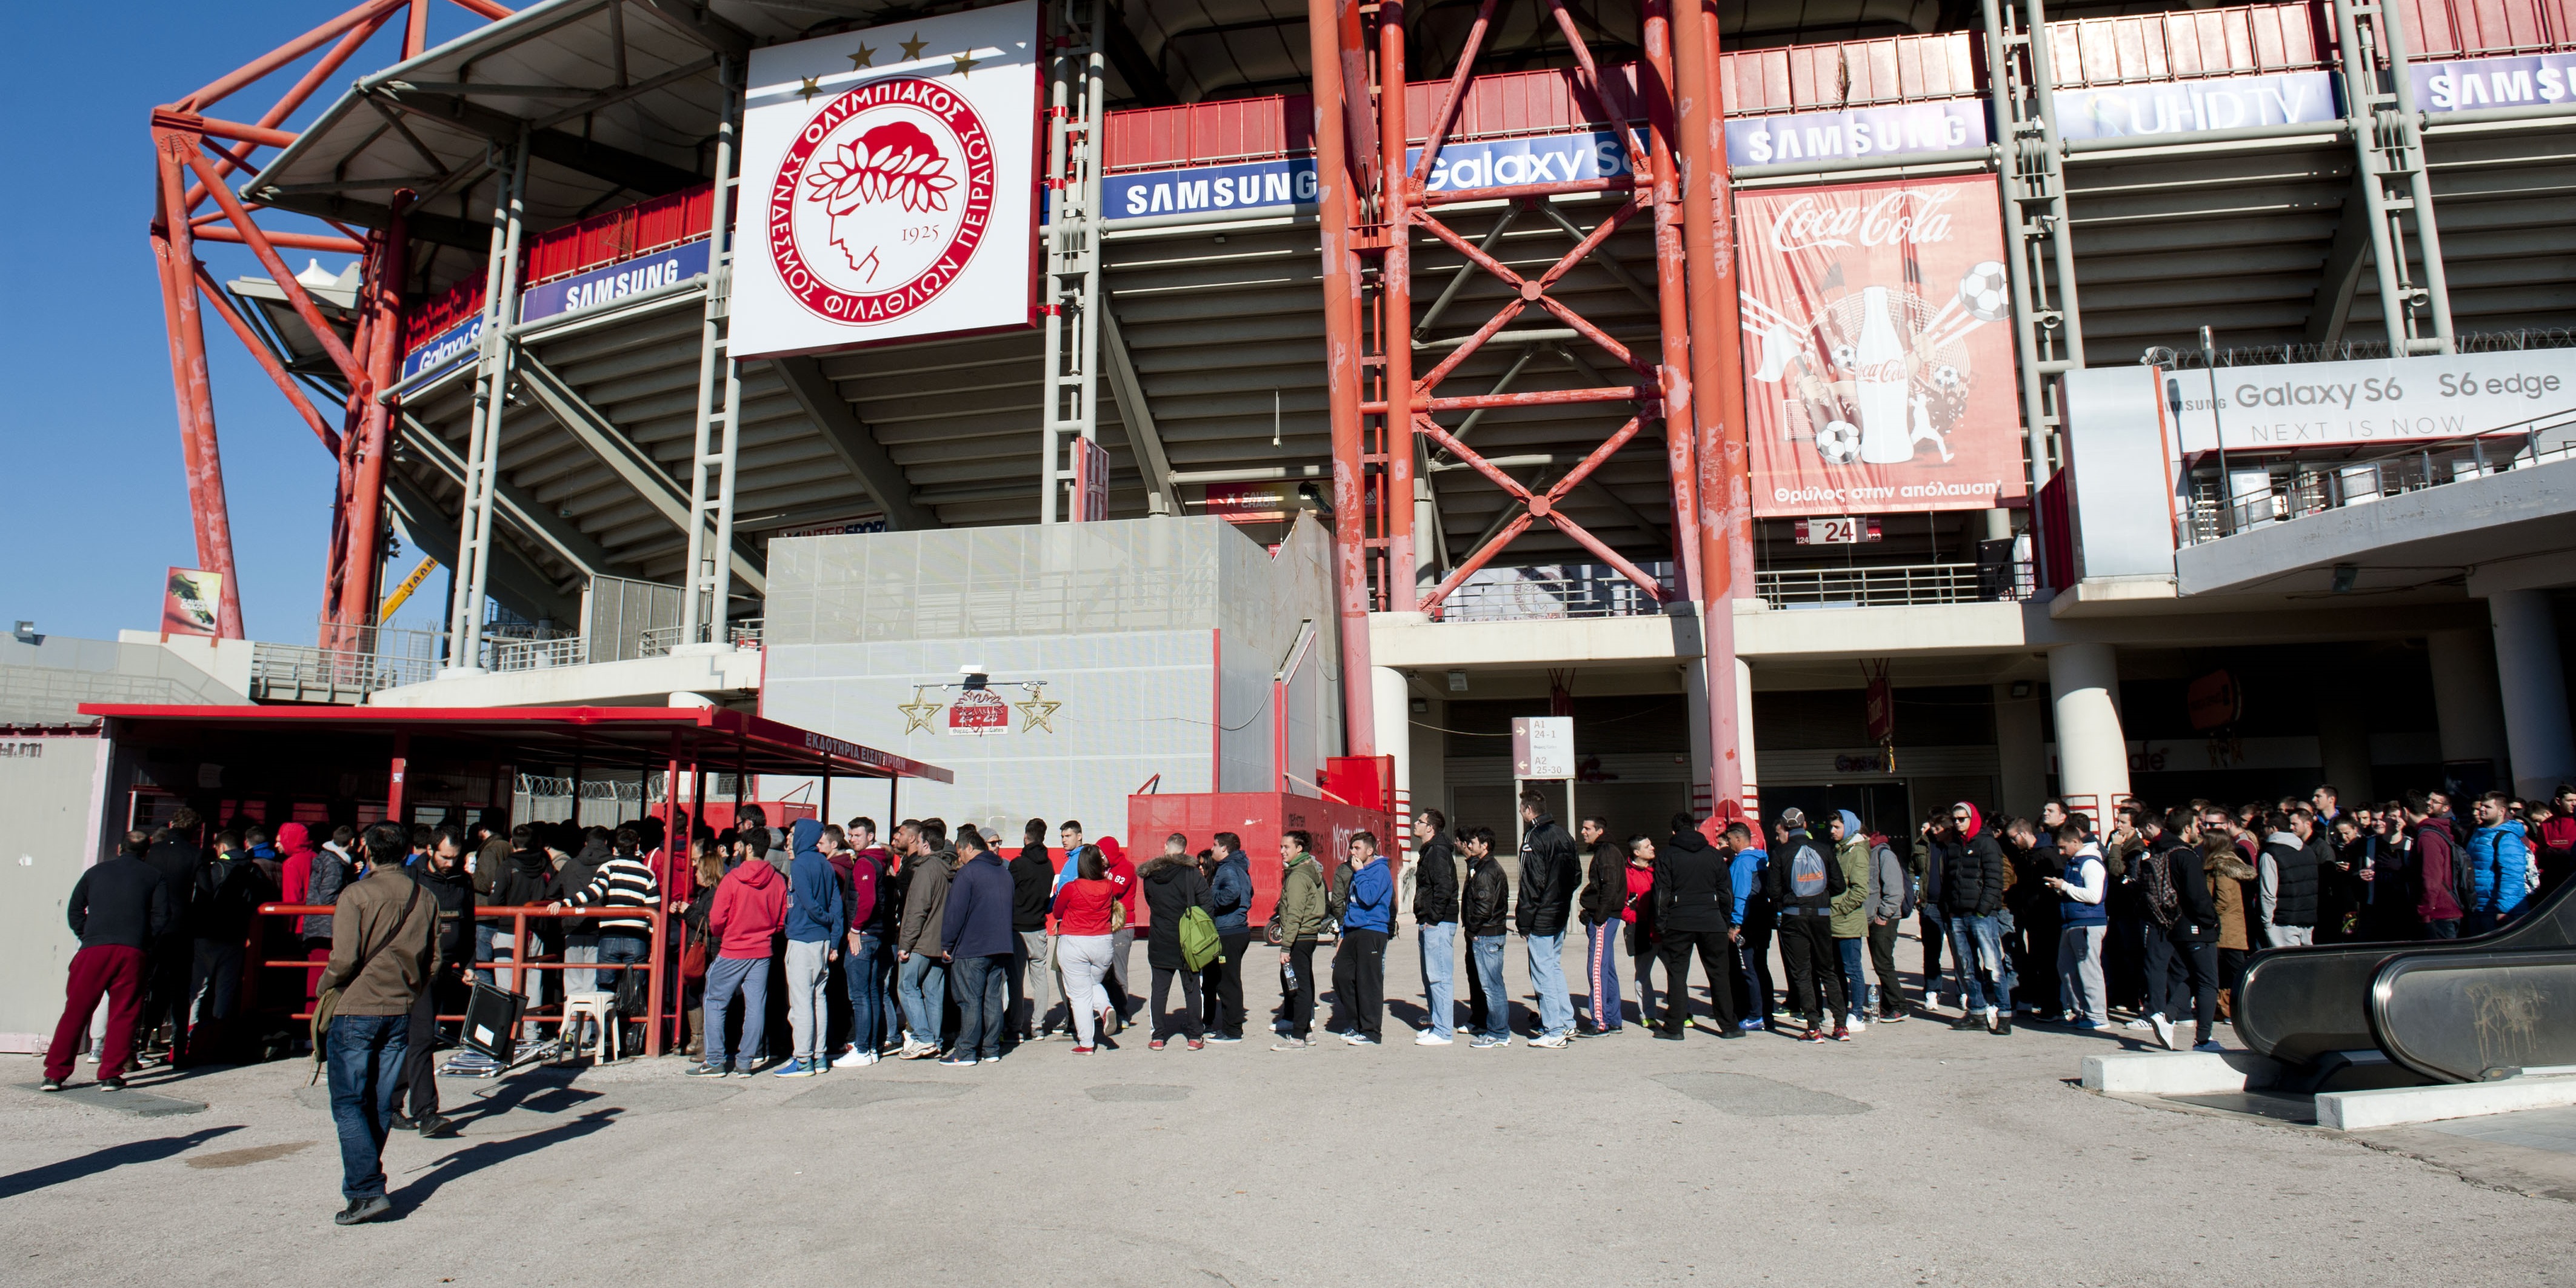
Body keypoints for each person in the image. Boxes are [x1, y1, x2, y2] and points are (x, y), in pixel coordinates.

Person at [315, 823, 438, 1226]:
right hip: (401, 1005)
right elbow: (434, 959)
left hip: (357, 1006)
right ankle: (367, 1183)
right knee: (381, 1100)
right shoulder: (425, 896)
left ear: (366, 849)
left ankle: (366, 1189)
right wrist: (409, 985)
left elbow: (345, 958)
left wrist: (326, 984)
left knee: (349, 1102)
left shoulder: (358, 894)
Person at [41, 831, 173, 1092]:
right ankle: (111, 1074)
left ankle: (55, 1074)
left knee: (76, 1011)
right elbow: (162, 916)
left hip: (93, 949)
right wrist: (144, 942)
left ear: (119, 848)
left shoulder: (95, 873)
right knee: (124, 1012)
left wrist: (86, 933)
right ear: (146, 852)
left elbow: (74, 909)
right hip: (132, 950)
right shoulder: (154, 877)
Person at [389, 827, 472, 1136]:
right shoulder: (412, 878)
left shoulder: (462, 879)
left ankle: (389, 1103)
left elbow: (468, 922)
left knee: (419, 1039)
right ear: (429, 850)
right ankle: (426, 1113)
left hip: (446, 967)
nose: (450, 863)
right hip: (417, 967)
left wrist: (468, 963)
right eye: (445, 857)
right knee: (423, 1037)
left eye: (455, 857)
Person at [555, 826, 661, 1050]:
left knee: (604, 987)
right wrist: (652, 941)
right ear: (638, 847)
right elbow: (654, 911)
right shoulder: (647, 873)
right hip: (637, 938)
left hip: (610, 935)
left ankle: (601, 1039)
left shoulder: (608, 868)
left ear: (615, 848)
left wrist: (566, 903)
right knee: (636, 990)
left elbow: (593, 892)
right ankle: (635, 1039)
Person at [690, 838, 787, 1076]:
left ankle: (714, 1061)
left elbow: (717, 919)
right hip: (762, 949)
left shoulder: (732, 878)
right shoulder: (778, 879)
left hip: (733, 948)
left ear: (749, 848)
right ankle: (745, 1062)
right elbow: (782, 920)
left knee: (714, 1001)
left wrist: (727, 933)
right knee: (755, 1006)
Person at [184, 828, 274, 1064]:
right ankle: (219, 1039)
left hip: (207, 936)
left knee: (198, 989)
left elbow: (201, 898)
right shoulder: (254, 869)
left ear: (221, 847)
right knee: (226, 989)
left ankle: (189, 1040)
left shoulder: (215, 868)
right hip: (236, 937)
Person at [766, 818, 845, 1077]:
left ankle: (802, 1060)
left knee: (801, 1004)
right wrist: (833, 937)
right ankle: (819, 1056)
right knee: (818, 1000)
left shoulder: (799, 864)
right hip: (822, 941)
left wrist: (823, 919)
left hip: (803, 939)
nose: (790, 839)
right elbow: (836, 905)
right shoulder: (825, 863)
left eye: (793, 834)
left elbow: (810, 903)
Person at [1651, 821, 1741, 1041]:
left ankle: (1675, 1027)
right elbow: (1726, 892)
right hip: (1712, 921)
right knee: (1719, 974)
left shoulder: (1667, 856)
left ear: (1673, 831)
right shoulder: (1713, 855)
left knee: (1678, 974)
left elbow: (1661, 893)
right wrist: (1724, 918)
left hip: (1679, 921)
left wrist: (1661, 922)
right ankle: (1729, 1026)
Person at [1767, 808, 1846, 1042]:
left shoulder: (1780, 853)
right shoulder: (1824, 849)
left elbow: (1774, 892)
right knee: (1828, 970)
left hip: (1793, 917)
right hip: (1821, 915)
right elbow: (1839, 886)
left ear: (1785, 827)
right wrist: (1820, 897)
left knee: (1802, 972)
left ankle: (1814, 1026)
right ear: (1806, 825)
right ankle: (1841, 1026)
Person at [939, 829, 1014, 1066]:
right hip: (1001, 945)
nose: (959, 857)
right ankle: (991, 1048)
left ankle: (966, 1051)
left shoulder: (968, 873)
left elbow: (955, 913)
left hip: (973, 946)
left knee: (969, 1000)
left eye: (960, 852)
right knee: (992, 999)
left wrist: (947, 943)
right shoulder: (1004, 872)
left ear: (969, 848)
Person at [1514, 790, 1579, 1049]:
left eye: (1522, 809)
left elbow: (1531, 882)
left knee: (1542, 971)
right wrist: (1561, 901)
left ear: (1529, 810)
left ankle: (1554, 1030)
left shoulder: (1534, 836)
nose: (1521, 813)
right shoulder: (1564, 835)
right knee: (1553, 967)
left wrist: (1524, 920)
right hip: (1560, 912)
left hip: (1542, 915)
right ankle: (1567, 1022)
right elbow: (1576, 876)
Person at [138, 809, 202, 1066]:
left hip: (151, 927)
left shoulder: (152, 852)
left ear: (171, 823)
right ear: (195, 830)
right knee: (179, 992)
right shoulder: (195, 854)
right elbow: (205, 891)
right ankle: (179, 1050)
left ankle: (138, 1045)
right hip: (181, 928)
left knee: (147, 988)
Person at [1139, 835, 1214, 1050]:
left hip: (1160, 939)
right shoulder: (1192, 874)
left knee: (1159, 990)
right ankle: (1194, 1037)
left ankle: (1158, 1037)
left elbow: (1150, 901)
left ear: (1165, 848)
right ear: (1184, 851)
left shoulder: (1150, 876)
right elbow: (1207, 905)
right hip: (1188, 941)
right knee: (1191, 990)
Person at [1942, 802, 2011, 1035]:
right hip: (1959, 915)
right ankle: (1977, 1013)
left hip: (1981, 915)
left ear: (1973, 818)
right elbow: (1949, 880)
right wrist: (1951, 909)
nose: (1958, 823)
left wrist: (1983, 909)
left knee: (1993, 966)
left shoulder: (1987, 843)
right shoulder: (1953, 845)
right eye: (1955, 819)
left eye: (1963, 818)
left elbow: (1995, 880)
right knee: (1968, 968)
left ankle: (2004, 1015)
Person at [895, 820, 958, 1058]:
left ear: (926, 844)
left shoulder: (926, 870)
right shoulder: (947, 869)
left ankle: (924, 1037)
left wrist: (905, 944)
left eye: (919, 841)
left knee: (907, 987)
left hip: (921, 942)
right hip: (939, 942)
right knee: (933, 991)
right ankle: (935, 1040)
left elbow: (917, 910)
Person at [1051, 849, 1121, 1053]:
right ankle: (1106, 1007)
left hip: (1074, 942)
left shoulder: (1072, 888)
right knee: (1091, 983)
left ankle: (1086, 1043)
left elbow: (1057, 911)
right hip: (1103, 942)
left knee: (1079, 994)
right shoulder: (1109, 887)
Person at [1330, 833, 1395, 1046]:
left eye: (1357, 848)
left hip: (1372, 930)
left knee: (1368, 982)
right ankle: (1356, 1022)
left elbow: (1369, 898)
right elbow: (1350, 903)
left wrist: (1359, 873)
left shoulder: (1380, 871)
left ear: (1370, 851)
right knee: (1341, 976)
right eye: (1351, 848)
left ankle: (1371, 1031)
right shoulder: (1358, 872)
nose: (1352, 853)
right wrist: (1343, 933)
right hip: (1353, 930)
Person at [838, 819, 895, 1059]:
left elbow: (868, 900)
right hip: (876, 934)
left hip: (864, 935)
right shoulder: (879, 861)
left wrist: (855, 929)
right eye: (850, 835)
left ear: (871, 836)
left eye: (857, 835)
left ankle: (862, 1048)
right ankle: (871, 1046)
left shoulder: (864, 863)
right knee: (872, 992)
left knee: (860, 995)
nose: (852, 839)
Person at [2045, 822, 2109, 1029]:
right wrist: (2062, 889)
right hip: (2072, 922)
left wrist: (2065, 886)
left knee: (2089, 970)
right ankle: (2082, 1012)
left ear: (2076, 841)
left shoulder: (2091, 863)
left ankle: (2098, 1016)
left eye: (2064, 847)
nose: (2061, 852)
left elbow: (2094, 896)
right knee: (2066, 968)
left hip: (2088, 924)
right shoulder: (2075, 862)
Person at [1404, 812, 1459, 1046]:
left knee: (1439, 976)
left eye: (1420, 822)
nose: (1415, 824)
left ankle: (1444, 1031)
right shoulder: (1430, 851)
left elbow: (1444, 888)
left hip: (1438, 922)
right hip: (1429, 920)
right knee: (1431, 975)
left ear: (1431, 828)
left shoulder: (1437, 852)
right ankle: (1437, 1022)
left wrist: (1433, 919)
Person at [1271, 831, 1327, 1050]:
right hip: (1307, 935)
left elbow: (1294, 914)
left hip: (1300, 937)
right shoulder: (1307, 871)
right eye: (1282, 846)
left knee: (1299, 986)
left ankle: (1298, 1037)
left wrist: (1286, 946)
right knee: (1295, 980)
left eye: (1287, 847)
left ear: (1299, 849)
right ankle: (1306, 1032)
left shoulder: (1298, 876)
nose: (1282, 851)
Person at [1457, 827, 1511, 1049]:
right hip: (1485, 934)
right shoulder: (1481, 867)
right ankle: (1488, 1025)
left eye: (1474, 843)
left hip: (1486, 935)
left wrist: (1473, 929)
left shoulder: (1488, 871)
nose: (1470, 846)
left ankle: (1499, 1033)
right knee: (1487, 983)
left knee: (1492, 986)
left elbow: (1484, 907)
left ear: (1485, 845)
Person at [1575, 815, 1628, 1036]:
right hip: (1607, 917)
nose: (1583, 832)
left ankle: (1600, 1021)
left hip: (1604, 919)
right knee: (1607, 968)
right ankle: (1613, 1018)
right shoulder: (1606, 851)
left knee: (1596, 969)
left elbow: (1609, 888)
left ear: (1600, 831)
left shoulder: (1606, 853)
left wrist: (1599, 918)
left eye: (1588, 829)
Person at [1201, 830, 1254, 1043]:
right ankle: (1229, 1027)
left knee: (1227, 982)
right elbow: (1249, 894)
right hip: (1234, 929)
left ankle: (1233, 1031)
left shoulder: (1229, 868)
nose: (1212, 849)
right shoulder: (1237, 867)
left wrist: (1209, 904)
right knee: (1224, 980)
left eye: (1215, 845)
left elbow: (1233, 893)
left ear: (1224, 848)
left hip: (1229, 932)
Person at [1722, 819, 1775, 1030]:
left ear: (1738, 838)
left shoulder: (1742, 862)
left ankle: (1755, 1015)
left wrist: (1735, 924)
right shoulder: (1762, 858)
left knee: (1748, 969)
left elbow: (1741, 895)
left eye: (1729, 841)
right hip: (1763, 919)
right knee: (1762, 968)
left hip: (1747, 922)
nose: (1729, 845)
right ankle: (1767, 1013)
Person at [1008, 819, 1057, 1043]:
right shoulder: (1048, 866)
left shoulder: (1018, 865)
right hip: (1039, 927)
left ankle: (1016, 1026)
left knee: (1016, 981)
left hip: (1018, 929)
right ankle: (1038, 1025)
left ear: (1026, 838)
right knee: (1040, 978)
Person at [1828, 810, 1873, 1035]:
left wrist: (1839, 910)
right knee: (1836, 970)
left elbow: (1860, 891)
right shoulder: (1840, 850)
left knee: (1852, 969)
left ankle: (1857, 1013)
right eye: (1832, 827)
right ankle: (1841, 1012)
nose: (1832, 831)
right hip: (1835, 921)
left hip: (1848, 921)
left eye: (1837, 827)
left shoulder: (1857, 852)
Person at [2466, 791, 2532, 935]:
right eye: (2481, 806)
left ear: (2502, 811)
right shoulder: (2479, 833)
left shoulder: (2507, 838)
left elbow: (2512, 877)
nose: (2481, 810)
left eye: (2488, 807)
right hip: (2479, 907)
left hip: (2496, 909)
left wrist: (2504, 909)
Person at [1866, 821, 1909, 1023]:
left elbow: (1895, 890)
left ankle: (1900, 1006)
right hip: (1874, 917)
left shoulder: (1884, 854)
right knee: (1880, 961)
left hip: (1886, 918)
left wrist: (1883, 915)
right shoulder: (1868, 854)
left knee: (1883, 963)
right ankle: (1888, 1004)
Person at [2256, 811, 2320, 949]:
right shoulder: (2308, 850)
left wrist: (2267, 923)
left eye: (2264, 827)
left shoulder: (2270, 854)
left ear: (2273, 829)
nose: (2262, 831)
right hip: (2307, 920)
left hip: (2282, 922)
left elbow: (2268, 893)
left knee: (2287, 966)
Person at [2407, 791, 2464, 939]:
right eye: (2428, 799)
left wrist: (2425, 912)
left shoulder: (2428, 835)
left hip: (2439, 914)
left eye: (2434, 801)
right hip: (2444, 911)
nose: (2428, 803)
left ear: (2446, 808)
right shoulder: (2433, 830)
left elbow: (2431, 879)